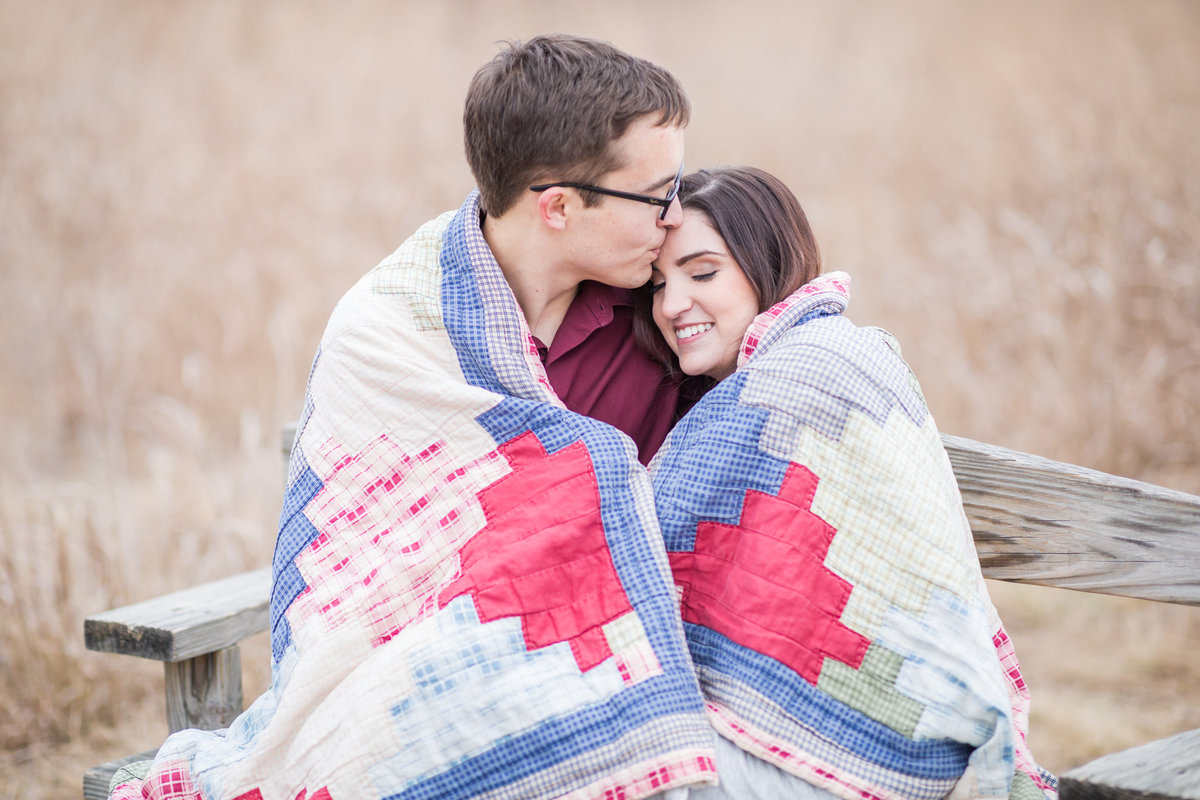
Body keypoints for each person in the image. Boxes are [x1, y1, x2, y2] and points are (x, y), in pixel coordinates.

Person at [109, 36, 719, 800]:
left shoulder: (671, 311)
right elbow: (357, 575)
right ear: (558, 206)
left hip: (630, 668)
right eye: (658, 194)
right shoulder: (393, 326)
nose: (675, 219)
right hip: (435, 674)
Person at [636, 166, 1058, 800]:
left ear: (766, 261)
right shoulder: (738, 388)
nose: (672, 305)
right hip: (786, 719)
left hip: (868, 737)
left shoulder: (819, 365)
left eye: (702, 274)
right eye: (658, 284)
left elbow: (648, 550)